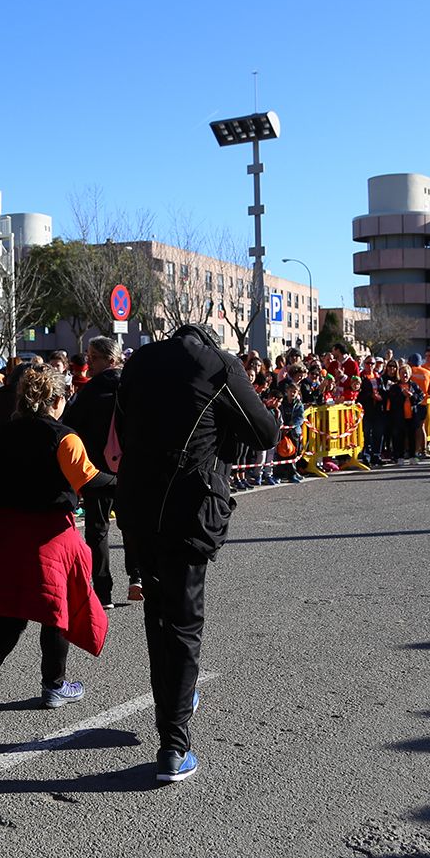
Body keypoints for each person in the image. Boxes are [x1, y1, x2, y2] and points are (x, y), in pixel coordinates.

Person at [113, 323, 278, 783]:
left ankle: (174, 707)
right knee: (184, 622)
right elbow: (263, 432)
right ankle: (174, 744)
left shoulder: (140, 362)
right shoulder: (219, 364)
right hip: (189, 506)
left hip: (139, 506)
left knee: (157, 617)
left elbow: (124, 430)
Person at [0, 365, 113, 727]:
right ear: (55, 400)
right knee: (59, 610)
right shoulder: (65, 438)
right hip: (50, 535)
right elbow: (93, 483)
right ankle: (54, 686)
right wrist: (131, 481)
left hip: (1, 532)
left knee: (13, 613)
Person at [63, 336, 124, 607]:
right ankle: (140, 578)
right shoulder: (134, 386)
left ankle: (103, 591)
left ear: (110, 359)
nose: (88, 363)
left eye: (94, 357)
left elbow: (71, 424)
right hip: (131, 467)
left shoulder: (91, 391)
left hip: (96, 469)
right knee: (134, 523)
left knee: (98, 530)